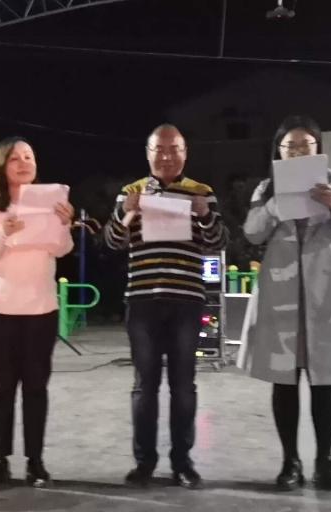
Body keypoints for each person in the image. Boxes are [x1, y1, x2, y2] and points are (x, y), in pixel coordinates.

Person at [239, 115, 331, 491]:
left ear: (318, 148)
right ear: (279, 151)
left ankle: (325, 461)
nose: (298, 152)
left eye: (306, 145)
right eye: (291, 147)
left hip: (326, 292)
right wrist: (273, 207)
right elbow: (252, 233)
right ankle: (290, 462)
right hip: (282, 293)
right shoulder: (267, 187)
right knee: (284, 381)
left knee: (324, 380)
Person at [102, 124, 228, 489]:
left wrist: (205, 214)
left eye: (175, 149)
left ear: (185, 153)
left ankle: (182, 462)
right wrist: (126, 213)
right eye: (160, 149)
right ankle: (144, 462)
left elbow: (218, 241)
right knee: (145, 385)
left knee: (183, 385)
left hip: (186, 300)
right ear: (148, 153)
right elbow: (112, 241)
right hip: (142, 300)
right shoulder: (131, 192)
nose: (167, 156)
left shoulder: (202, 192)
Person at [0, 137, 74, 489]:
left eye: (29, 156)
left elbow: (61, 248)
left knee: (36, 387)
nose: (23, 163)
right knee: (2, 387)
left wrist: (65, 223)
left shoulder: (51, 203)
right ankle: (0, 460)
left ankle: (35, 462)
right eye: (15, 158)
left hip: (41, 309)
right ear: (2, 166)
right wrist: (4, 231)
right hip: (0, 308)